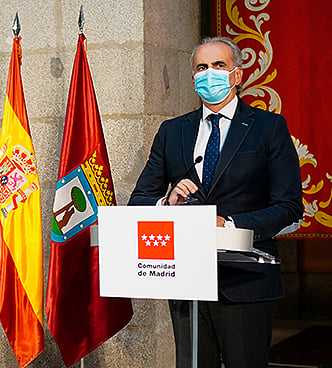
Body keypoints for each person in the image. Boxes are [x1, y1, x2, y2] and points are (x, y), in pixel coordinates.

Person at [128, 37, 303, 368]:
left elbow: (290, 205)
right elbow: (139, 202)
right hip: (187, 281)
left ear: (237, 75)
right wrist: (168, 205)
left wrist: (229, 226)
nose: (210, 74)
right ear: (193, 79)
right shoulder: (172, 131)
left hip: (246, 281)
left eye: (219, 66)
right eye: (202, 68)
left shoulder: (268, 127)